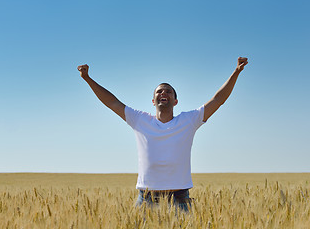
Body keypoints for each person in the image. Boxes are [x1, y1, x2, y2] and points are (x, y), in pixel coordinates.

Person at [77, 57, 249, 212]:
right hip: (146, 199)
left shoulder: (188, 120)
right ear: (153, 101)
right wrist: (87, 79)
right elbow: (112, 102)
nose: (163, 93)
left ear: (175, 101)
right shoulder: (139, 119)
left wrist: (236, 72)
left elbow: (218, 100)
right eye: (159, 91)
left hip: (179, 199)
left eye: (168, 91)